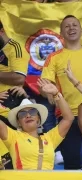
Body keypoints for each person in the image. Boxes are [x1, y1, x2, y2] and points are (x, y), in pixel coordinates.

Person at [41, 15, 82, 169]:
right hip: (69, 118)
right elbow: (45, 85)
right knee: (73, 166)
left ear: (81, 30)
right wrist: (49, 93)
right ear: (61, 33)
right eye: (67, 26)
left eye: (74, 25)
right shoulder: (54, 58)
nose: (71, 28)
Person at [0, 79, 74, 170]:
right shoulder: (13, 137)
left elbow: (68, 118)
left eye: (32, 111)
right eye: (22, 114)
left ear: (38, 118)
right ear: (18, 122)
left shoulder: (50, 138)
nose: (28, 115)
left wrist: (56, 94)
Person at [0, 21, 29, 169]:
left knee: (10, 155)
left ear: (1, 31)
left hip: (10, 106)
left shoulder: (15, 47)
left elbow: (19, 78)